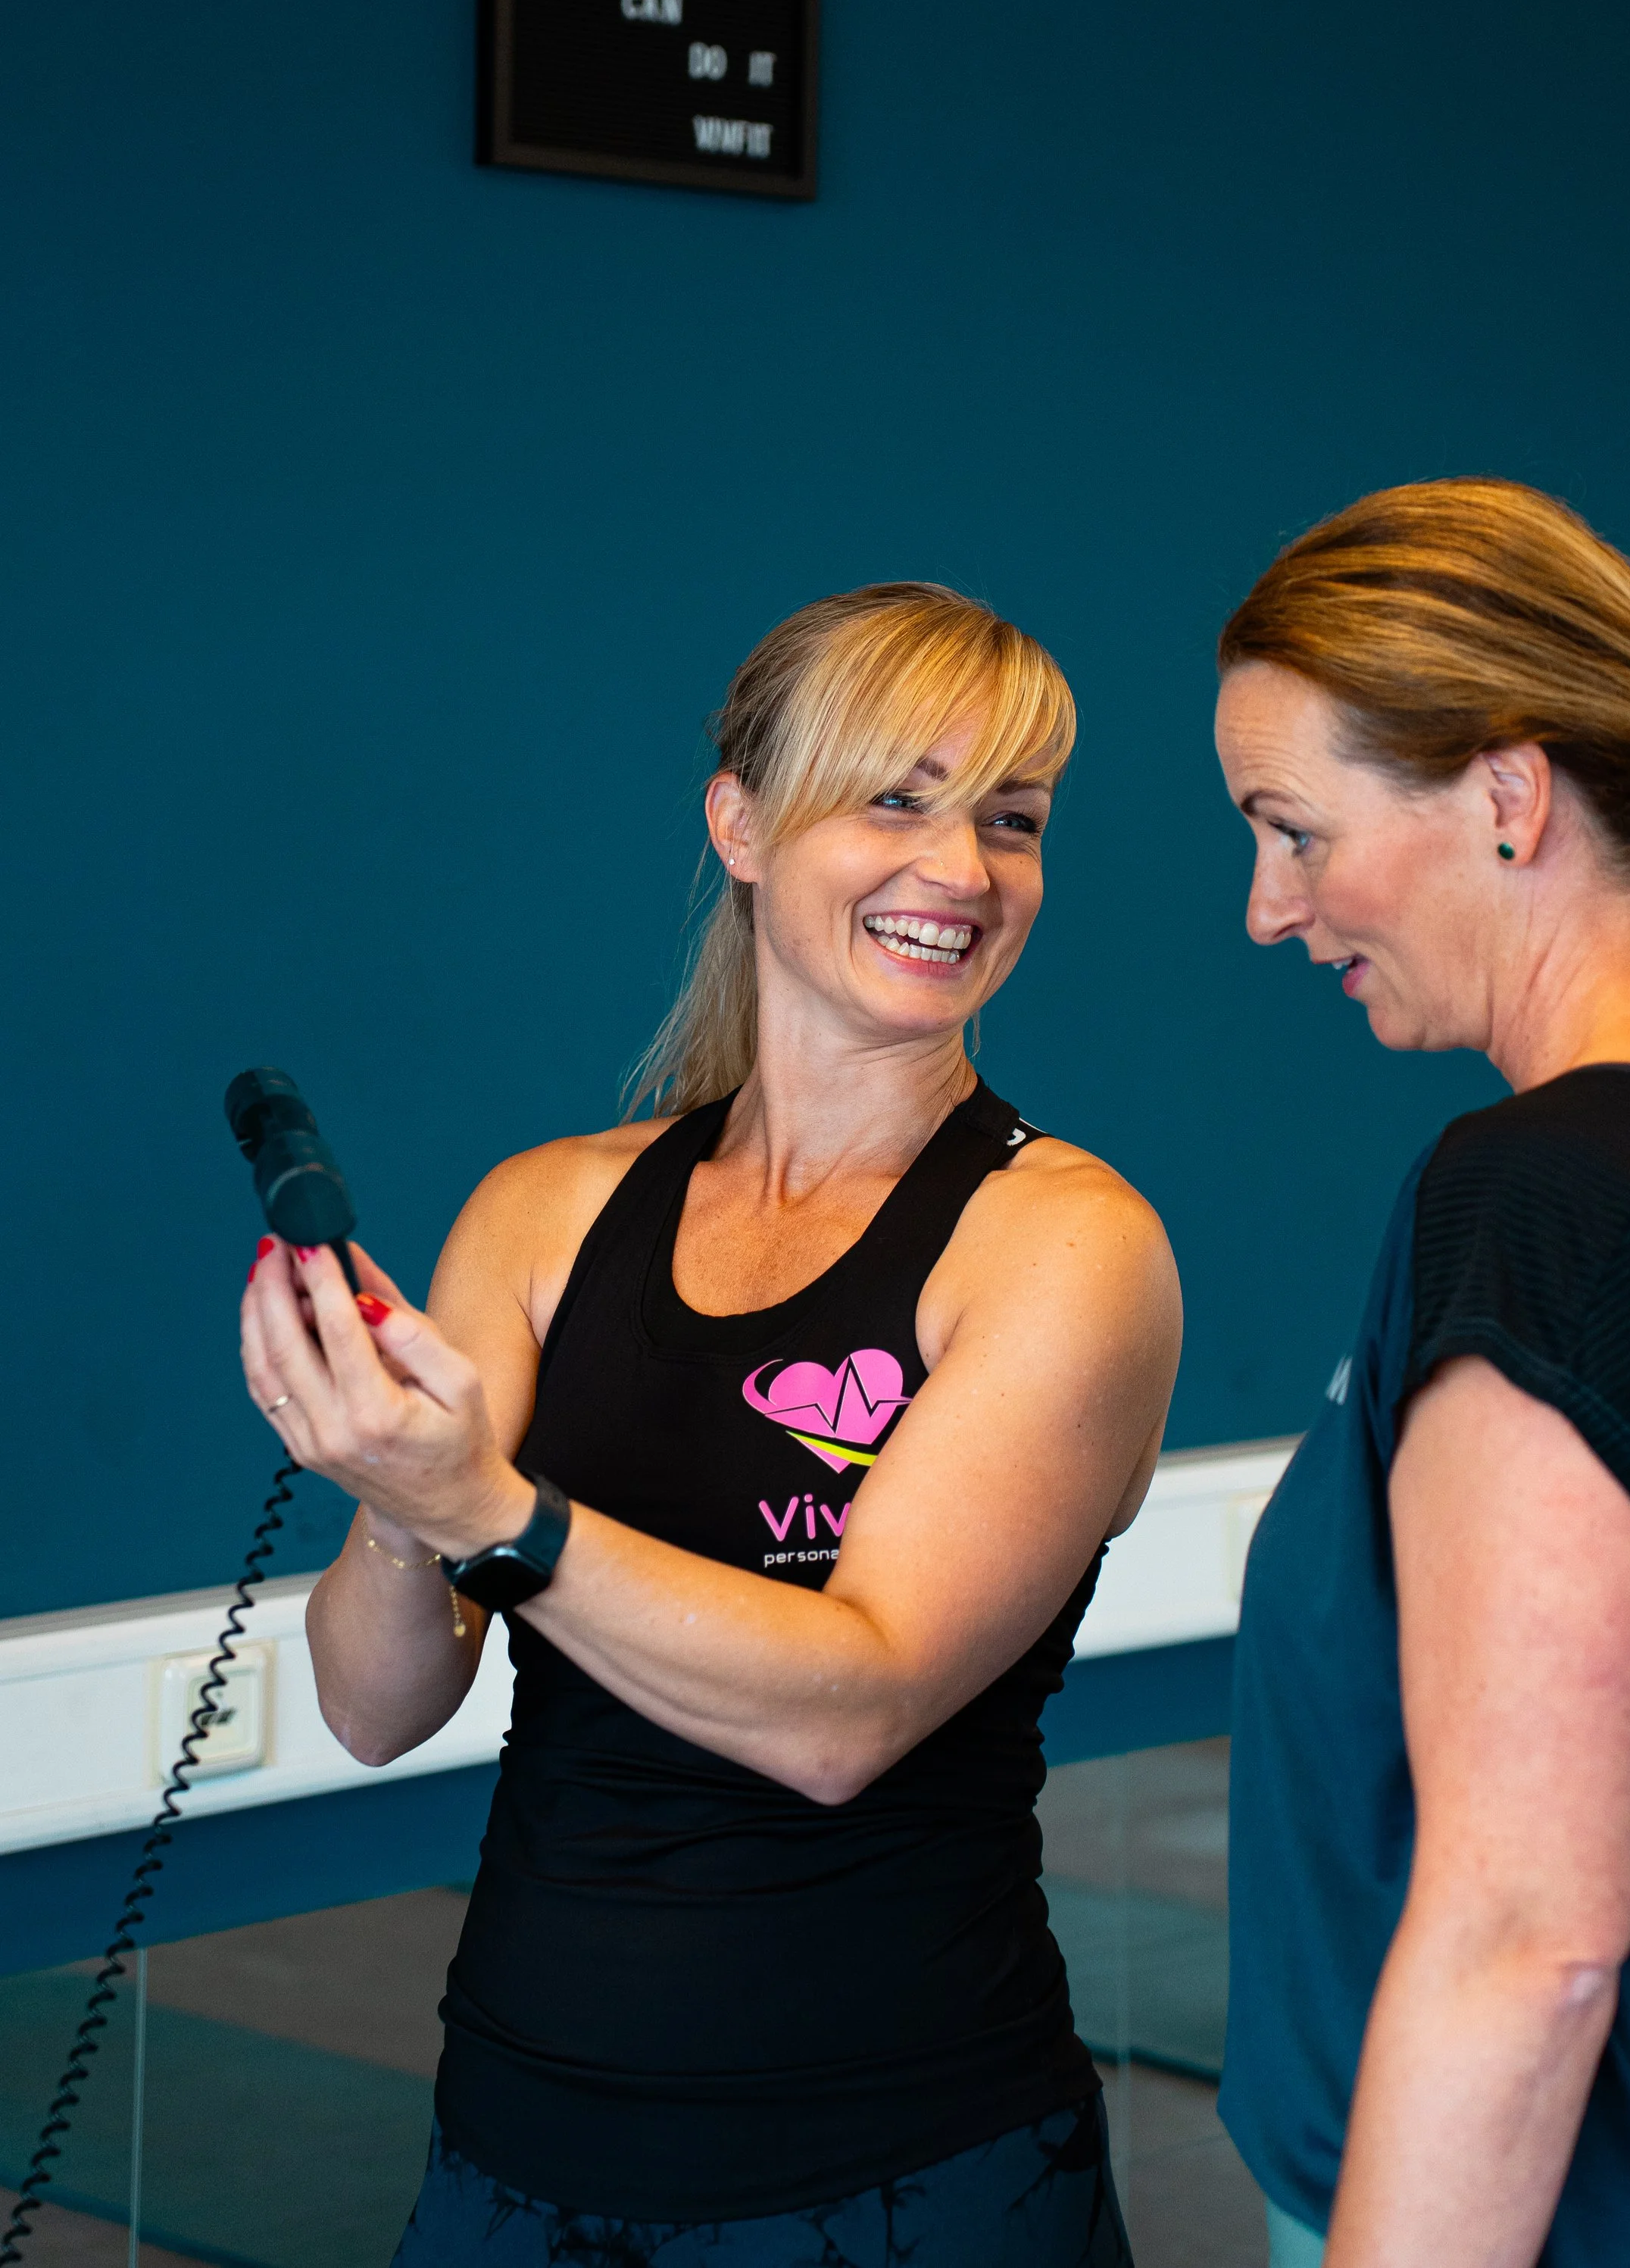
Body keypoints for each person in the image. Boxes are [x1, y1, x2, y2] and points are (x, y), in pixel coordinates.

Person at [239, 583, 1182, 2268]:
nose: (960, 870)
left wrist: (501, 1513)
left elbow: (851, 1709)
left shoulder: (1063, 1244)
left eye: (1010, 820)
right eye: (893, 797)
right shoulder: (547, 1212)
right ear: (739, 823)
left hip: (904, 2168)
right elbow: (379, 1703)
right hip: (512, 2137)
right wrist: (397, 1497)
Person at [1210, 480, 1630, 2268]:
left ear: (1506, 797)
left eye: (1291, 830)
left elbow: (1528, 1932)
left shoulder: (1550, 1201)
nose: (1266, 911)